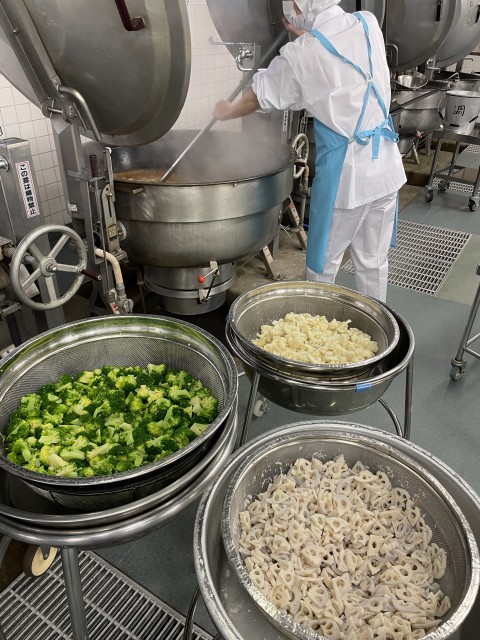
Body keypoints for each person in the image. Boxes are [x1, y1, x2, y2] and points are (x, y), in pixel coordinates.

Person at [212, 0, 406, 303]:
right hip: (386, 168)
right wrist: (306, 38)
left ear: (300, 7)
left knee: (322, 268)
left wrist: (227, 111)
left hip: (347, 180)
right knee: (373, 262)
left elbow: (259, 96)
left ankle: (315, 329)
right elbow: (338, 53)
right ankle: (379, 326)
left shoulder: (302, 54)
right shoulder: (367, 23)